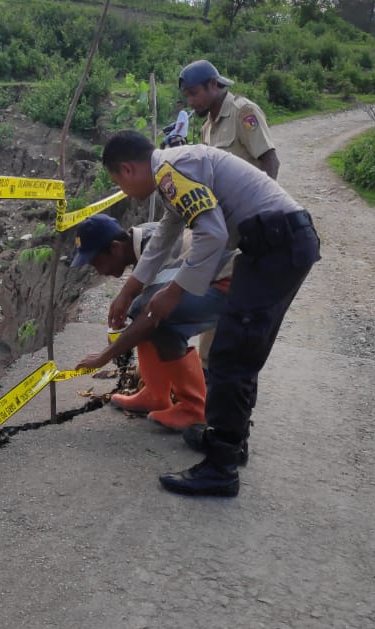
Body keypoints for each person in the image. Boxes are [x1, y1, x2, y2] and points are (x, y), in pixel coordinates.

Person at [99, 130, 320, 498]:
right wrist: (128, 291)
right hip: (271, 244)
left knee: (232, 357)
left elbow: (213, 235)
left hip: (277, 246)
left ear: (127, 168)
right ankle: (230, 442)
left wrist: (175, 291)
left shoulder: (172, 173)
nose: (122, 190)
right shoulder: (174, 171)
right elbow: (167, 236)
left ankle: (221, 469)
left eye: (117, 182)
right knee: (239, 352)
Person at [70, 214, 233, 431]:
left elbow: (150, 316)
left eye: (96, 263)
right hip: (213, 277)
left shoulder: (158, 250)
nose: (99, 271)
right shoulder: (143, 235)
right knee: (141, 311)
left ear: (115, 247)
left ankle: (193, 409)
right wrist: (126, 295)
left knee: (157, 319)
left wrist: (104, 356)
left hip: (230, 285)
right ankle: (155, 394)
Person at [178, 59, 280, 180]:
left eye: (194, 94)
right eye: (186, 96)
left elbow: (270, 161)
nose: (190, 102)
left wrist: (261, 198)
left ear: (213, 84)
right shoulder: (207, 127)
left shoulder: (243, 112)